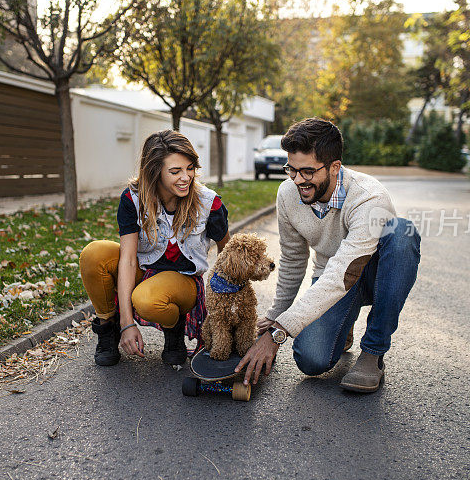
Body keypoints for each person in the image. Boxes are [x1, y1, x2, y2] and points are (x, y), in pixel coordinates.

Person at [235, 118, 421, 393]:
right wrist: (277, 315)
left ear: (334, 167)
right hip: (330, 278)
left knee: (402, 232)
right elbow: (293, 258)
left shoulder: (369, 198)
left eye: (307, 171)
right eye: (292, 170)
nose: (298, 180)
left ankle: (373, 352)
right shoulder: (288, 193)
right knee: (311, 361)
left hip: (370, 274)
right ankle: (343, 327)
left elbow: (344, 271)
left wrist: (278, 334)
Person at [80, 130, 230, 367]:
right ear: (154, 171)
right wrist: (127, 324)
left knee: (147, 298)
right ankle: (108, 330)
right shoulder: (133, 199)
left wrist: (223, 312)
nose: (186, 177)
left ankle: (174, 331)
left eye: (190, 168)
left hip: (184, 282)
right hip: (144, 271)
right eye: (175, 171)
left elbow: (227, 255)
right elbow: (128, 260)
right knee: (94, 254)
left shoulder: (208, 202)